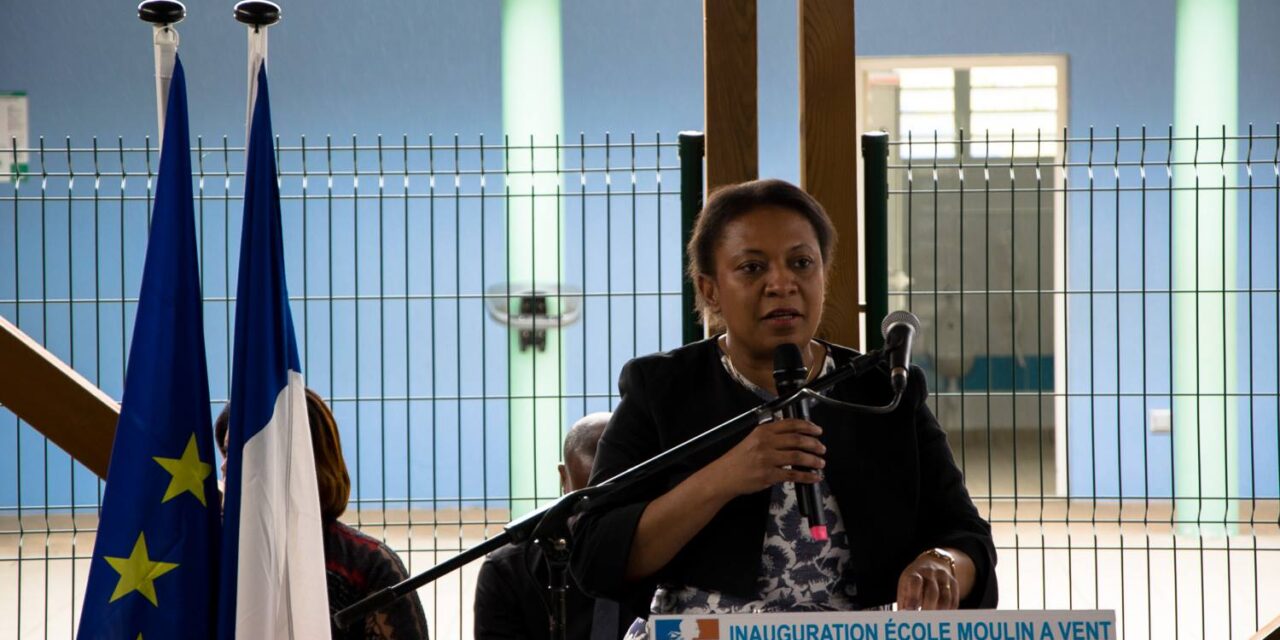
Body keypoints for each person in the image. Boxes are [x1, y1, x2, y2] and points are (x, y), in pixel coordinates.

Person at [569, 179, 997, 635]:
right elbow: (597, 554)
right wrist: (723, 477)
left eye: (801, 263)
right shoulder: (662, 388)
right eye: (752, 268)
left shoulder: (883, 391)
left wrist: (941, 563)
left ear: (823, 274)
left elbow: (967, 538)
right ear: (710, 290)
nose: (781, 283)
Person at [215, 389, 429, 640]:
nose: (225, 465)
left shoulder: (367, 565)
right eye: (228, 451)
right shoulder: (206, 558)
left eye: (246, 451)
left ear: (302, 460)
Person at [474, 412, 625, 640]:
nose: (600, 522)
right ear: (564, 478)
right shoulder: (509, 570)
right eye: (587, 501)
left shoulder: (672, 553)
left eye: (617, 500)